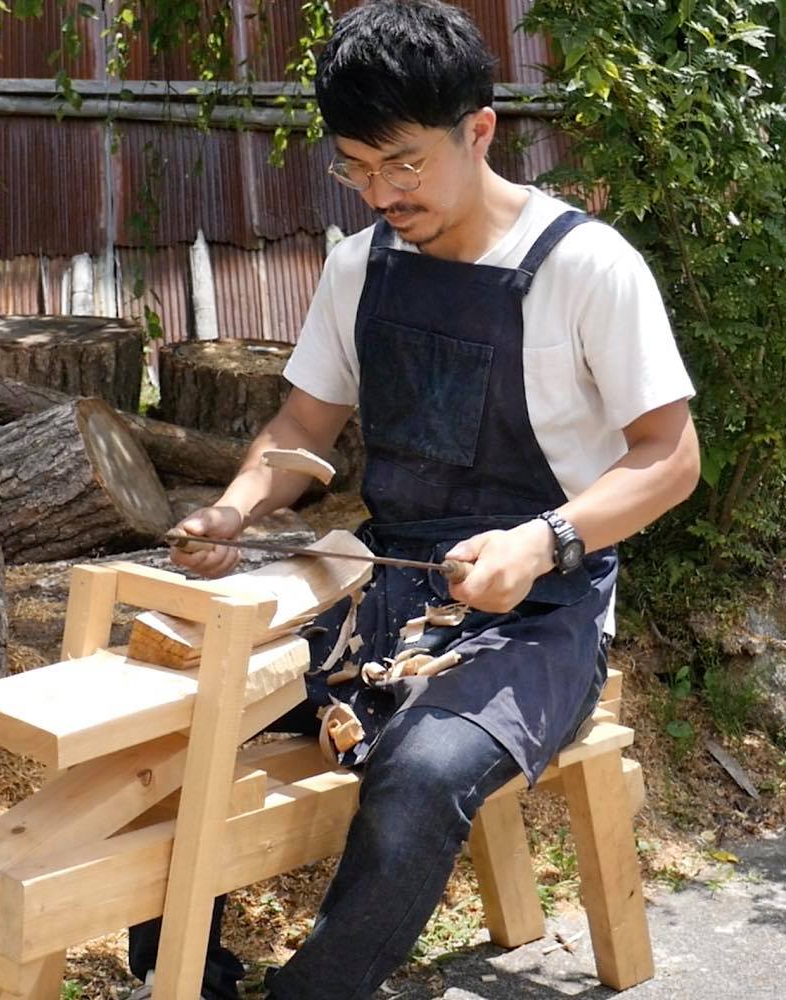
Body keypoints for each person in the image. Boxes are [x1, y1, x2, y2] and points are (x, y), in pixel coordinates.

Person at [128, 1, 700, 997]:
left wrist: (541, 540)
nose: (380, 192)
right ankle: (178, 976)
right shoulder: (359, 268)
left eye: (402, 163)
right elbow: (301, 433)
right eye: (355, 167)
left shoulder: (586, 268)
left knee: (421, 776)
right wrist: (233, 509)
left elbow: (670, 457)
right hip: (385, 582)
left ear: (479, 130)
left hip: (546, 607)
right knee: (181, 705)